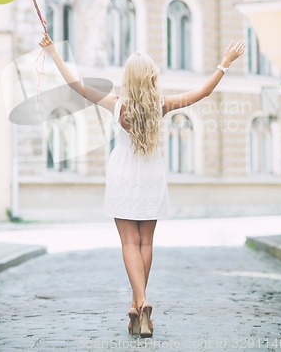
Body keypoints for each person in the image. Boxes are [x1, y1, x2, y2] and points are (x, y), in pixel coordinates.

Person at [39, 32, 245, 338]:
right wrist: (224, 64)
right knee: (146, 243)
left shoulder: (115, 104)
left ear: (127, 78)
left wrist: (55, 53)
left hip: (123, 173)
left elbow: (76, 85)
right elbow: (202, 92)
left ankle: (142, 301)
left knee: (128, 243)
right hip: (151, 174)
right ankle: (137, 305)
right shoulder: (162, 104)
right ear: (151, 77)